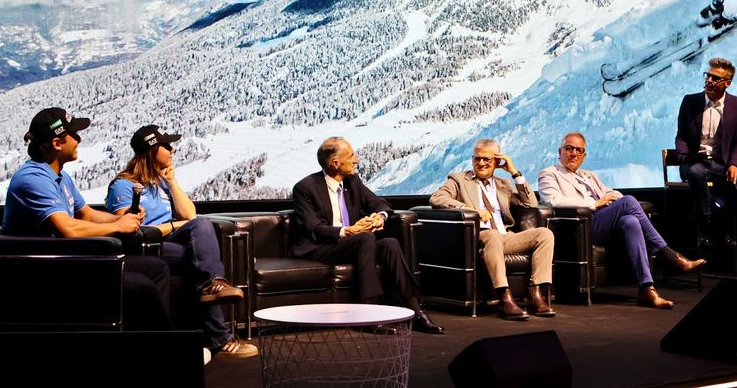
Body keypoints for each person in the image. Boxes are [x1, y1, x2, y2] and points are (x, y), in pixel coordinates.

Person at [1, 107, 172, 331]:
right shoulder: (33, 178)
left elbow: (87, 214)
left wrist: (122, 219)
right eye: (74, 135)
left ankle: (155, 340)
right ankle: (165, 351)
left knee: (156, 268)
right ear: (57, 144)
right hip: (48, 272)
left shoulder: (59, 176)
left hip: (72, 260)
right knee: (141, 286)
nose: (79, 139)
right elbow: (68, 229)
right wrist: (118, 226)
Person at [106, 124, 258, 359]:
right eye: (165, 145)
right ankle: (220, 336)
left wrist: (172, 183)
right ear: (152, 149)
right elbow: (129, 229)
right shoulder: (124, 186)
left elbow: (190, 216)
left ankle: (214, 286)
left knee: (202, 227)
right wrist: (175, 226)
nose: (172, 149)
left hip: (170, 241)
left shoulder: (161, 182)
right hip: (145, 246)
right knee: (200, 263)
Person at [290, 137, 443, 334]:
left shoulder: (352, 181)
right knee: (365, 237)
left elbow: (380, 203)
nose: (357, 160)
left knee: (390, 244)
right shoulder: (305, 188)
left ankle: (415, 311)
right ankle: (368, 315)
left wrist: (380, 216)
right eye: (352, 156)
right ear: (335, 163)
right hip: (319, 247)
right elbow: (314, 229)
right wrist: (349, 231)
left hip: (353, 243)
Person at [539, 132, 706, 309]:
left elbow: (613, 193)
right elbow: (554, 201)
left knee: (630, 222)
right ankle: (669, 256)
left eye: (579, 150)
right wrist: (594, 204)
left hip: (602, 223)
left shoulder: (588, 175)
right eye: (569, 148)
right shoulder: (550, 174)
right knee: (629, 202)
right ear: (559, 151)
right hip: (579, 227)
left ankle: (646, 289)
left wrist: (609, 200)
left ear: (584, 156)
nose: (573, 153)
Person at [430, 139, 556, 321]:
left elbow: (530, 203)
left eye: (487, 160)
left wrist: (514, 172)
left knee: (545, 234)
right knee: (492, 235)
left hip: (505, 237)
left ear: (496, 162)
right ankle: (505, 298)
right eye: (477, 159)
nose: (481, 163)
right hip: (479, 237)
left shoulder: (503, 184)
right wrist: (472, 211)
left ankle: (536, 294)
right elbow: (437, 198)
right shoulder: (458, 179)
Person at [675, 58, 737, 247]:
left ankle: (720, 217)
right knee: (696, 172)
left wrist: (735, 164)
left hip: (722, 164)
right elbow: (681, 136)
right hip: (695, 161)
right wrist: (683, 155)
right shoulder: (690, 102)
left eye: (715, 78)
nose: (709, 80)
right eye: (708, 76)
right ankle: (706, 223)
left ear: (727, 83)